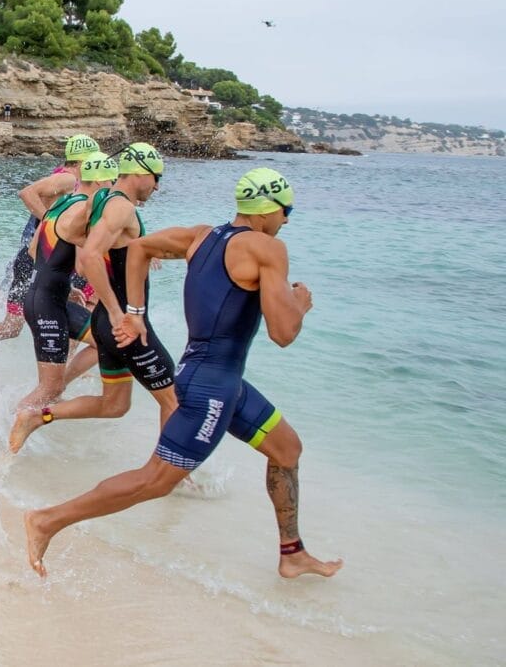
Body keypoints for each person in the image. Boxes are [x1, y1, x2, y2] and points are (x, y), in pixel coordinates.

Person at [22, 168, 342, 581]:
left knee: (287, 450)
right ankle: (47, 521)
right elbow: (283, 333)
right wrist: (299, 302)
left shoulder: (200, 237)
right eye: (287, 211)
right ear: (268, 210)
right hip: (210, 389)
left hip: (224, 384)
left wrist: (135, 314)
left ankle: (292, 553)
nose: (287, 221)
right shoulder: (267, 249)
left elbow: (139, 249)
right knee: (154, 481)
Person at [10, 144, 178, 449]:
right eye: (157, 178)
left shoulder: (71, 206)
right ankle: (171, 474)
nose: (158, 186)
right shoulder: (113, 206)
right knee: (174, 400)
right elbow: (87, 257)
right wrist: (117, 310)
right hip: (114, 320)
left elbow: (38, 249)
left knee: (115, 405)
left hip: (58, 300)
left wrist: (140, 248)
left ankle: (37, 417)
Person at [0, 134, 100, 369]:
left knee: (11, 327)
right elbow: (26, 193)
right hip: (35, 260)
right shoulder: (67, 178)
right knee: (41, 319)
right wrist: (51, 221)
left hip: (33, 260)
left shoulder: (66, 179)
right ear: (82, 161)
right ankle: (59, 378)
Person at [4, 152, 116, 449]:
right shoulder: (83, 211)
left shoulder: (59, 204)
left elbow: (32, 251)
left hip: (47, 296)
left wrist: (62, 284)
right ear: (103, 180)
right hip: (47, 304)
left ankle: (47, 398)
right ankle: (2, 439)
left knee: (105, 342)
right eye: (113, 182)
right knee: (49, 387)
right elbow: (83, 265)